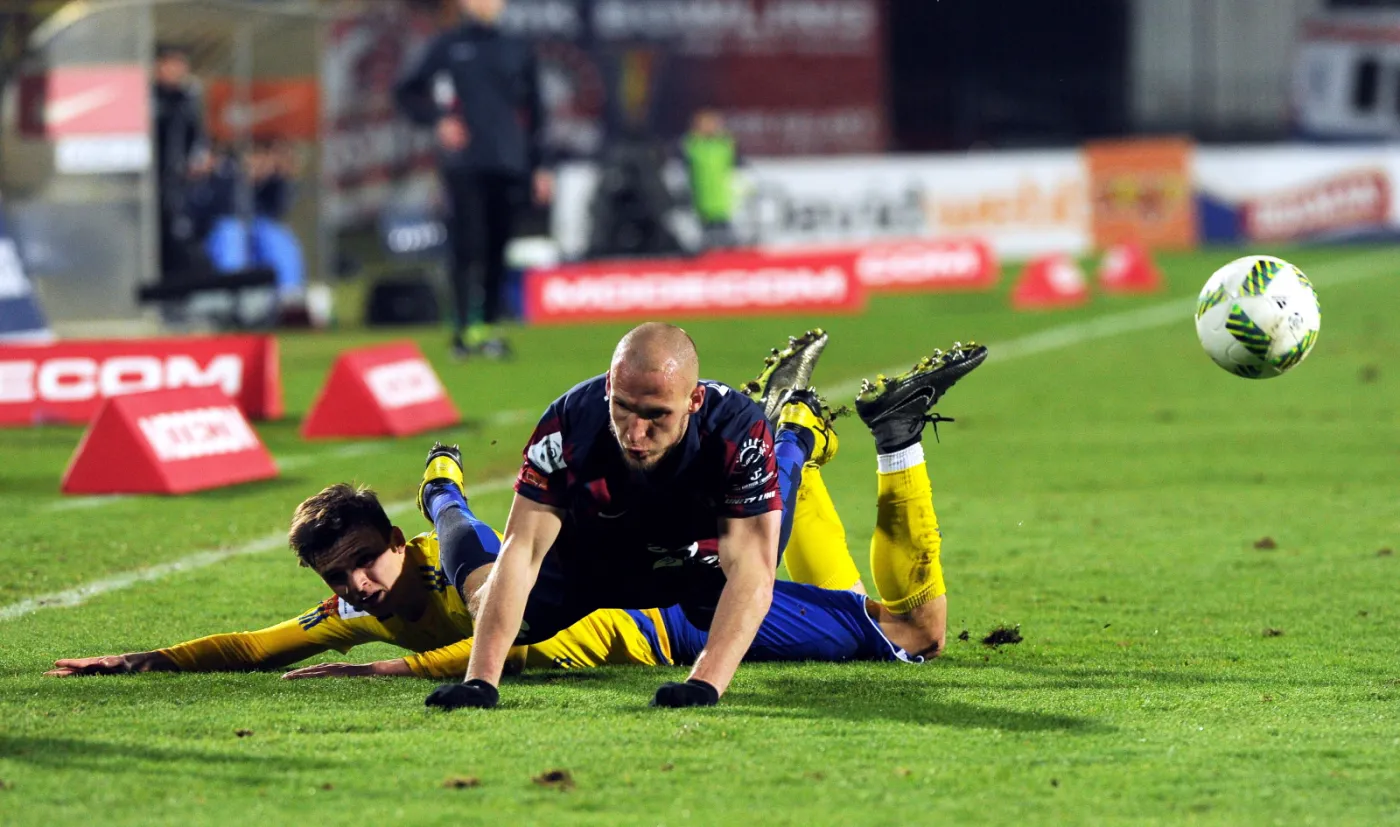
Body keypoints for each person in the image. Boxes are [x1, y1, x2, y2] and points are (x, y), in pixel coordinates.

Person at [46, 337, 986, 682]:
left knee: (916, 630)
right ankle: (807, 439)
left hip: (669, 620)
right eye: (341, 577)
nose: (361, 584)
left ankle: (802, 439)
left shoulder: (471, 564)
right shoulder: (359, 606)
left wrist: (446, 488)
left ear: (397, 544)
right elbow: (257, 645)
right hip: (682, 589)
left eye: (367, 560)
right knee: (851, 595)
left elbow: (502, 605)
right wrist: (137, 659)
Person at [393, 0, 553, 360]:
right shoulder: (447, 46)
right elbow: (406, 90)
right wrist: (438, 120)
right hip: (464, 164)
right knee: (467, 245)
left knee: (499, 245)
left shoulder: (517, 46)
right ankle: (465, 329)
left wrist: (541, 165)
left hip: (510, 163)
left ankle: (491, 326)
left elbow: (537, 110)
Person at [152, 43, 207, 282]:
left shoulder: (187, 100)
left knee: (180, 237)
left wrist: (197, 159)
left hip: (178, 184)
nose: (178, 70)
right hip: (151, 184)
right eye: (172, 64)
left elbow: (196, 138)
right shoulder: (149, 99)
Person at [680, 108, 744, 250]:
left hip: (725, 204)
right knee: (704, 245)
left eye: (711, 123)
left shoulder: (725, 145)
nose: (708, 127)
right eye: (704, 123)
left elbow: (739, 166)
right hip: (700, 204)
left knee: (728, 243)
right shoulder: (692, 145)